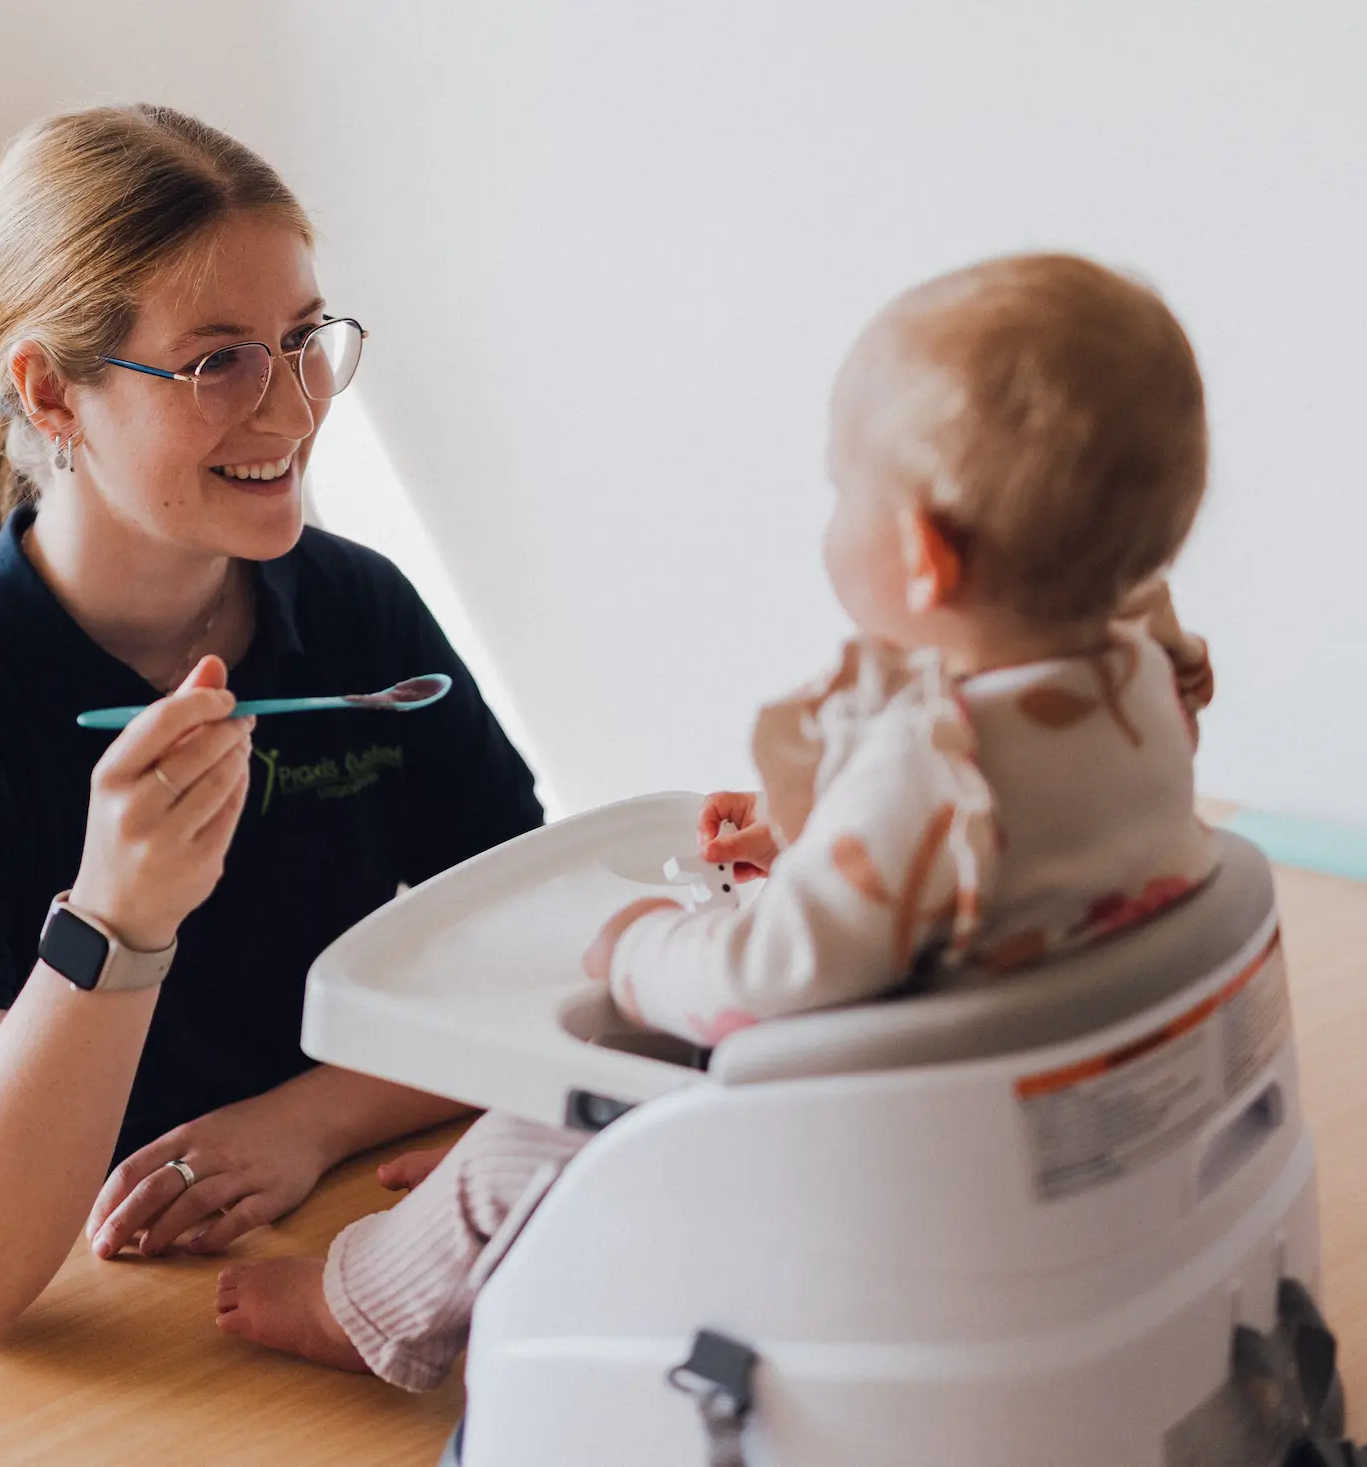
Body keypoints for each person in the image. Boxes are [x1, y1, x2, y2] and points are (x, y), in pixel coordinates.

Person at [212, 252, 1221, 1390]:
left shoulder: (925, 770)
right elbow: (1011, 858)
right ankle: (484, 1202)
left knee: (576, 1092)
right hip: (1017, 1101)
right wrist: (822, 848)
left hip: (884, 1148)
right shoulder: (1134, 685)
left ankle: (370, 1307)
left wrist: (642, 947)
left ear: (922, 559)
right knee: (616, 1058)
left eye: (842, 492)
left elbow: (768, 975)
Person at [0, 104, 542, 1341]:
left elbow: (538, 975)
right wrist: (117, 923)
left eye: (303, 340)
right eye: (219, 363)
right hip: (53, 1328)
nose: (294, 410)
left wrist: (307, 1122)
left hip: (298, 1246)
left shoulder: (357, 611)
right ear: (53, 392)